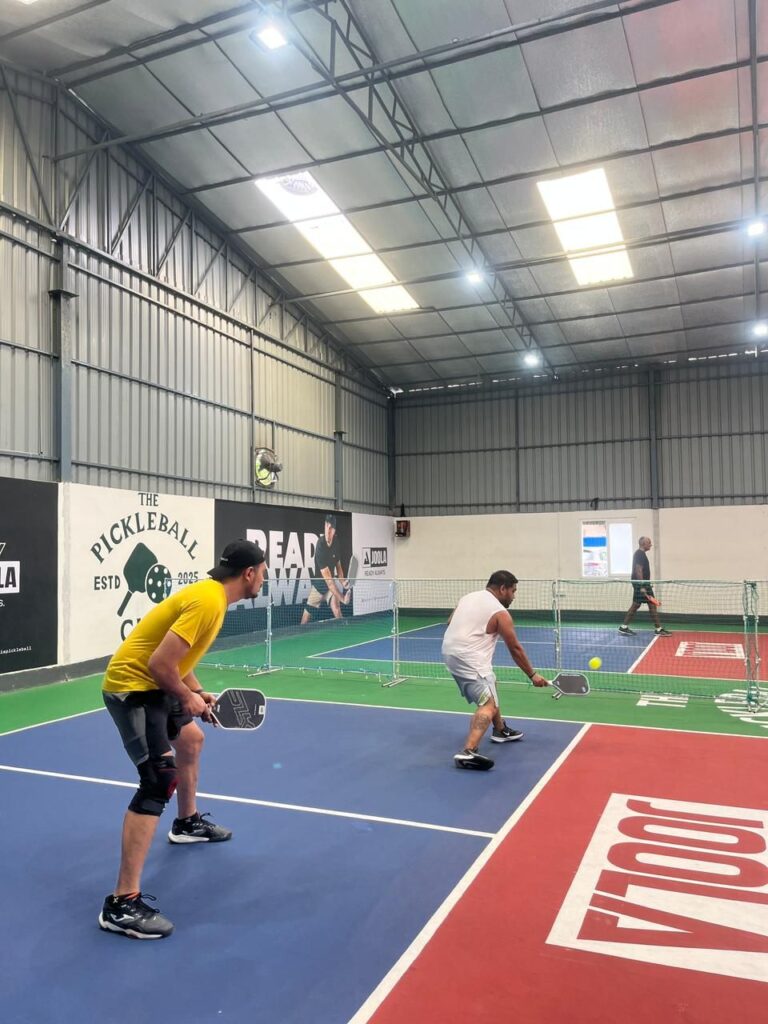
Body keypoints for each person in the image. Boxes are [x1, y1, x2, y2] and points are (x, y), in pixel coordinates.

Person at [99, 538, 266, 940]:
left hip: (154, 683)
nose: (263, 578)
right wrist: (186, 696)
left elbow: (177, 658)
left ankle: (186, 823)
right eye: (262, 572)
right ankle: (121, 904)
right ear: (249, 574)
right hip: (133, 688)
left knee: (191, 740)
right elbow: (160, 664)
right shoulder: (209, 602)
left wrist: (197, 691)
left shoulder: (212, 597)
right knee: (159, 780)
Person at [441, 571, 548, 770]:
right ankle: (468, 751)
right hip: (470, 659)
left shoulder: (468, 597)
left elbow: (450, 622)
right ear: (502, 589)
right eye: (513, 591)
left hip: (448, 652)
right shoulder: (500, 612)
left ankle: (500, 730)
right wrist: (533, 675)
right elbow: (515, 649)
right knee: (488, 705)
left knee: (491, 681)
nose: (514, 596)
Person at [300, 513, 350, 625]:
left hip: (330, 588)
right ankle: (299, 633)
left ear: (334, 530)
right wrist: (343, 599)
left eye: (331, 528)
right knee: (305, 620)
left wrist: (343, 582)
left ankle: (345, 631)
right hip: (318, 587)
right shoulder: (320, 546)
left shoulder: (336, 543)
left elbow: (338, 567)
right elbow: (329, 582)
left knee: (337, 609)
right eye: (326, 526)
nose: (328, 530)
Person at [618, 536, 671, 637]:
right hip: (641, 585)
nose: (651, 544)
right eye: (649, 543)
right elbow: (638, 570)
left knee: (639, 605)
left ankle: (624, 627)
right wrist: (642, 585)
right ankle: (658, 629)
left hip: (642, 584)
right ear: (643, 544)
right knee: (647, 605)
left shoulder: (640, 554)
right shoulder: (639, 554)